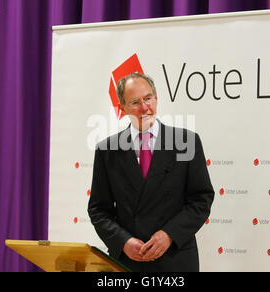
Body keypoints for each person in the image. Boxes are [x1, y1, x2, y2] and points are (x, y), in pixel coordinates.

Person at [88, 73, 214, 272]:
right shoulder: (107, 151)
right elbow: (98, 210)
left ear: (157, 98)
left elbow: (201, 199)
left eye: (148, 98)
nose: (145, 107)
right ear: (122, 108)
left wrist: (169, 234)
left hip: (176, 260)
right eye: (135, 102)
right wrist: (124, 242)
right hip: (128, 263)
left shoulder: (186, 142)